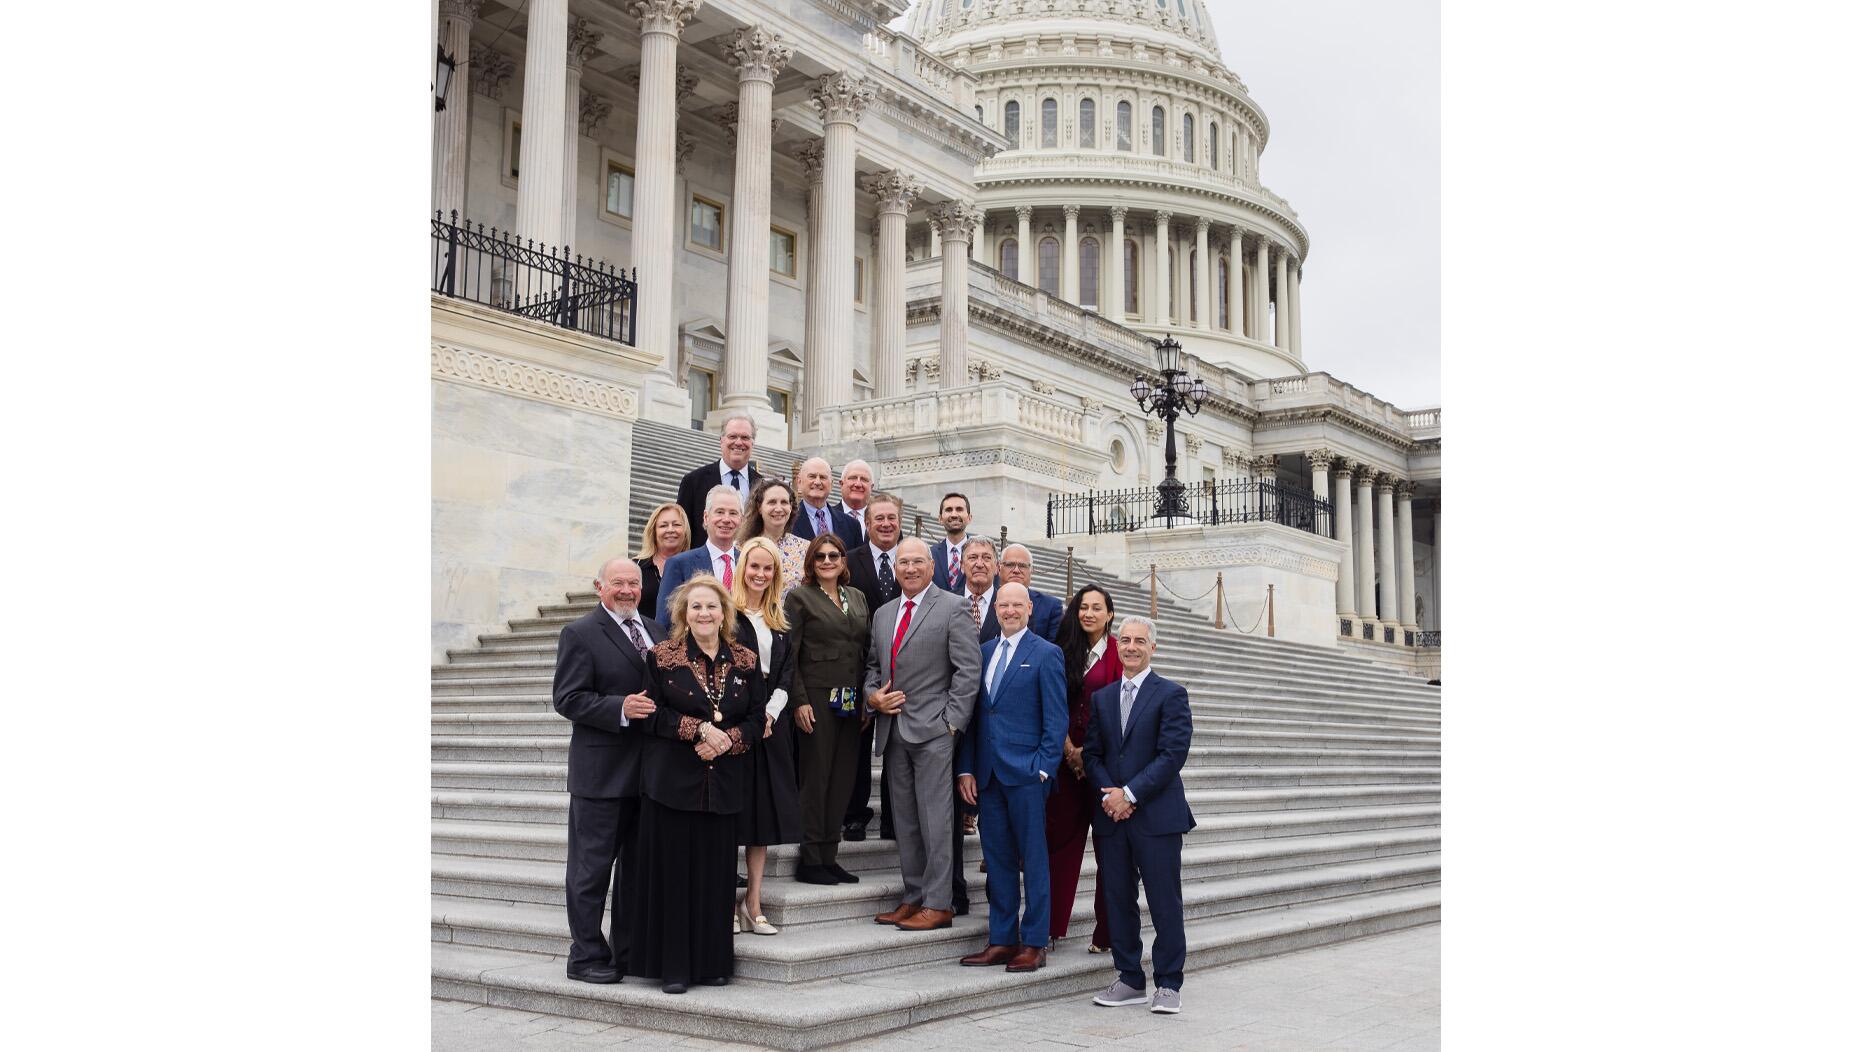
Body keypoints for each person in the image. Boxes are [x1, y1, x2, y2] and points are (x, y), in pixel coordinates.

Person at [629, 573, 764, 995]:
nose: (704, 613)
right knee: (675, 877)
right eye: (695, 607)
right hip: (672, 786)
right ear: (682, 615)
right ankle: (674, 969)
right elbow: (651, 715)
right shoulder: (661, 656)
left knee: (715, 876)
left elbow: (757, 718)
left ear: (725, 613)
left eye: (711, 606)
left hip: (722, 786)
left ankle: (711, 964)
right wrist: (701, 731)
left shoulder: (744, 659)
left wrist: (727, 741)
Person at [551, 557, 665, 984]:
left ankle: (629, 952)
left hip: (648, 777)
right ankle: (584, 955)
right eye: (618, 583)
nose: (627, 590)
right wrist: (619, 707)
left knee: (637, 871)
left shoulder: (656, 630)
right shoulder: (580, 633)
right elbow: (568, 698)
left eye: (633, 583)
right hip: (600, 775)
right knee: (591, 870)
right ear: (600, 586)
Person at [865, 538, 981, 932]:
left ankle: (939, 902)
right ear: (895, 568)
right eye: (903, 562)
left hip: (935, 732)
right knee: (906, 821)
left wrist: (951, 724)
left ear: (932, 567)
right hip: (893, 729)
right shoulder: (883, 614)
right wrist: (872, 697)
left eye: (917, 561)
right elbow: (872, 668)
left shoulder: (953, 607)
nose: (910, 568)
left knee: (936, 820)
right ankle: (913, 897)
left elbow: (968, 672)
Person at [1084, 616, 1195, 1015]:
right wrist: (1112, 795)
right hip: (1112, 818)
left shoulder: (1171, 694)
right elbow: (1093, 754)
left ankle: (1168, 983)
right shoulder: (1103, 698)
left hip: (1157, 817)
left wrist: (1129, 794)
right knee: (1117, 899)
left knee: (1165, 901)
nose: (1130, 646)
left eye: (1139, 641)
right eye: (1124, 640)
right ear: (1117, 647)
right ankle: (1129, 977)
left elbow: (1172, 755)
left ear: (1153, 647)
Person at [956, 583, 1067, 973]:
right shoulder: (983, 652)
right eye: (1003, 605)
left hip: (1026, 776)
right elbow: (973, 718)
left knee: (1034, 860)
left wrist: (1042, 769)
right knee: (998, 859)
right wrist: (967, 767)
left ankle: (1035, 941)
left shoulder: (1047, 654)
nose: (1009, 610)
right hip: (987, 775)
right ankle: (1002, 939)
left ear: (1030, 608)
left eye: (1016, 604)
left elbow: (1056, 720)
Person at [783, 533, 870, 885]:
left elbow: (864, 649)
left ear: (844, 560)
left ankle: (829, 854)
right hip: (817, 695)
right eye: (820, 557)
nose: (828, 561)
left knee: (842, 775)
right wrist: (799, 701)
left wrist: (866, 697)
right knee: (817, 775)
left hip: (849, 697)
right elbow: (790, 654)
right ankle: (810, 857)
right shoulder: (800, 598)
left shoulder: (857, 597)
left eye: (834, 555)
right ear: (811, 562)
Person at [728, 537, 802, 936]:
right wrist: (756, 715)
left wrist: (772, 712)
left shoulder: (779, 618)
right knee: (730, 818)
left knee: (761, 821)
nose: (760, 574)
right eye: (754, 566)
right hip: (737, 728)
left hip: (773, 728)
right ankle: (725, 900)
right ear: (743, 569)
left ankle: (752, 902)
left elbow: (786, 673)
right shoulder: (727, 614)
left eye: (767, 568)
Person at [1048, 585, 1119, 952]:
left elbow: (1123, 712)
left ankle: (1106, 933)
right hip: (1066, 763)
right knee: (1060, 846)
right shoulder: (1064, 652)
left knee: (1109, 852)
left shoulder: (1120, 654)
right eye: (1083, 607)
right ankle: (1051, 925)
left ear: (1109, 614)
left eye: (1097, 608)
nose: (1089, 613)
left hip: (1104, 767)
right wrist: (1068, 750)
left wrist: (1087, 755)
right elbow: (1053, 702)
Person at [843, 493, 905, 842]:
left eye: (891, 518)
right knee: (857, 746)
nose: (885, 524)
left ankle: (893, 819)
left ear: (900, 522)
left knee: (898, 748)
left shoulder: (914, 561)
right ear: (866, 523)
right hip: (858, 669)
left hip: (902, 670)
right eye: (878, 518)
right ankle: (854, 815)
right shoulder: (850, 561)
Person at [656, 486, 741, 628]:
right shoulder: (679, 564)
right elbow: (664, 622)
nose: (726, 519)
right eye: (719, 512)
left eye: (733, 513)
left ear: (741, 520)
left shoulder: (749, 564)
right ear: (706, 517)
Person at [675, 414, 762, 542]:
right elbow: (682, 531)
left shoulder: (763, 485)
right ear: (721, 440)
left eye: (745, 437)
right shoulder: (693, 481)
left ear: (752, 443)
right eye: (732, 436)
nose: (738, 442)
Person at [735, 478, 809, 597]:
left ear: (791, 507)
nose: (779, 509)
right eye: (772, 502)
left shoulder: (805, 549)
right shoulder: (740, 547)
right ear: (759, 507)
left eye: (784, 502)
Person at [791, 456, 863, 550]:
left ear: (831, 484)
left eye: (823, 477)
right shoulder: (787, 521)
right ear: (799, 482)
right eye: (812, 476)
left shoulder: (852, 525)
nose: (817, 482)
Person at [634, 502, 690, 621]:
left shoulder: (695, 566)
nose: (670, 530)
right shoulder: (635, 567)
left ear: (685, 531)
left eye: (676, 524)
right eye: (663, 526)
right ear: (653, 531)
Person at [997, 544, 1064, 642]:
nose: (1016, 570)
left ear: (1031, 570)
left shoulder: (1051, 607)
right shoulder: (987, 601)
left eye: (1022, 565)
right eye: (1010, 565)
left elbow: (1053, 650)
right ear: (999, 569)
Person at [959, 537, 1000, 644]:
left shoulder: (1009, 605)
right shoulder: (945, 602)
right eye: (973, 558)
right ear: (962, 565)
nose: (980, 564)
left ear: (997, 567)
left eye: (986, 558)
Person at [931, 493, 973, 594]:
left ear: (969, 517)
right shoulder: (930, 554)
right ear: (940, 518)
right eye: (949, 510)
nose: (954, 515)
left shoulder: (982, 554)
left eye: (959, 509)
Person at [836, 459, 875, 542]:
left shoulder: (885, 523)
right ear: (841, 484)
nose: (858, 484)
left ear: (871, 487)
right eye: (853, 478)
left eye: (864, 479)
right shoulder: (827, 518)